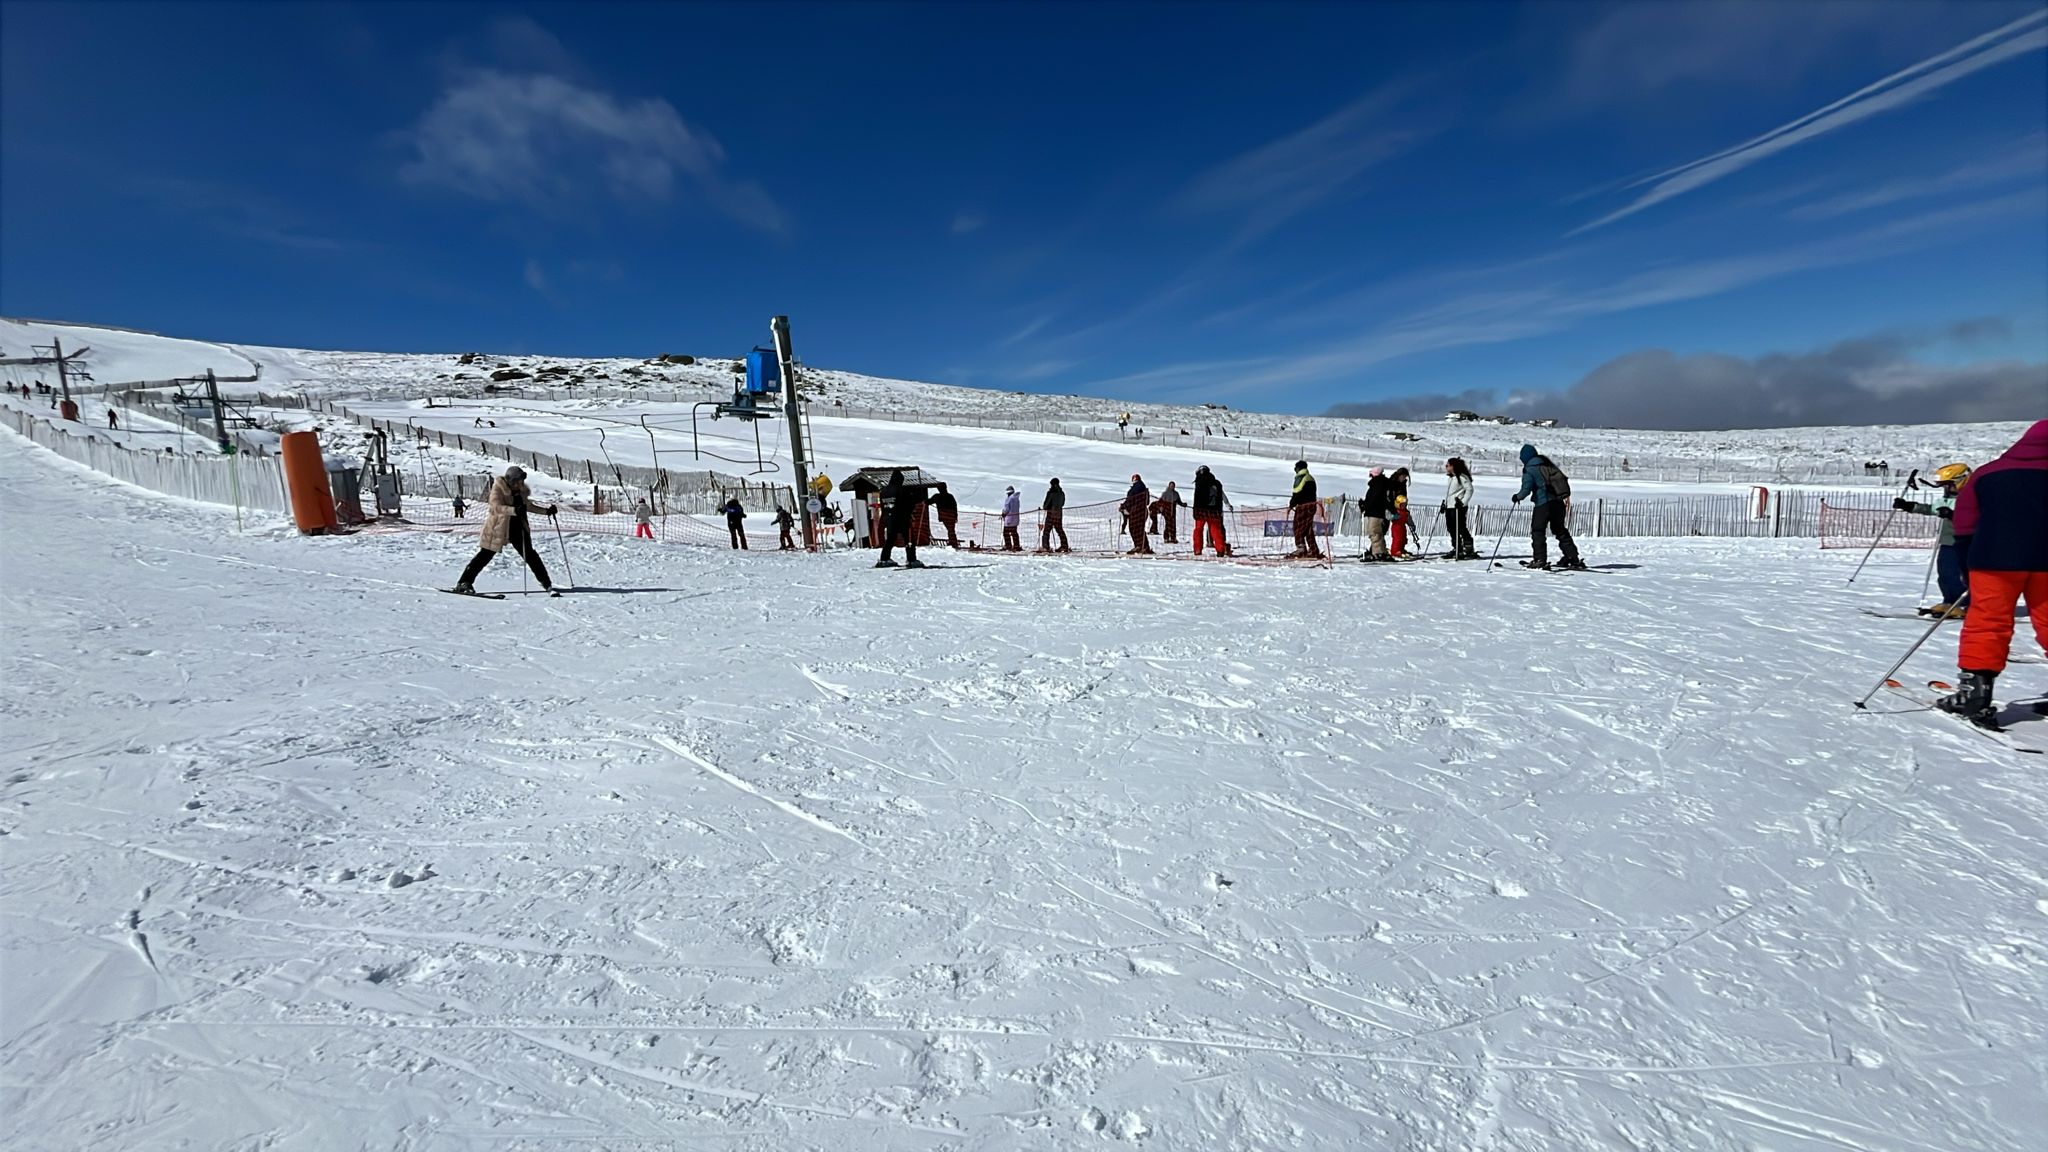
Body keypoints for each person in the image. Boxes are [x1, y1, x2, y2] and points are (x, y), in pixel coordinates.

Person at [1938, 420, 2048, 725]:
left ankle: (1975, 697)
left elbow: (1965, 524)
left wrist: (1965, 565)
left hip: (1992, 560)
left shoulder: (1987, 474)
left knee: (1987, 622)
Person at [452, 465, 558, 595]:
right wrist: (514, 510)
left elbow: (528, 506)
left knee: (530, 555)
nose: (520, 483)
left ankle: (546, 583)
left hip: (518, 527)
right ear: (511, 480)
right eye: (518, 481)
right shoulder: (498, 488)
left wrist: (546, 511)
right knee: (485, 555)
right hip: (498, 528)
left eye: (522, 481)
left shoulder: (521, 491)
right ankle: (464, 582)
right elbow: (495, 507)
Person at [1896, 463, 1970, 614]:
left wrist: (1952, 515)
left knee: (1960, 575)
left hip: (1964, 542)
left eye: (1948, 486)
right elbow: (1932, 509)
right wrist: (1910, 506)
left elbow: (1974, 518)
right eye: (1944, 486)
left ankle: (1964, 603)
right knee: (1945, 574)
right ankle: (1949, 600)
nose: (1946, 490)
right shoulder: (1948, 498)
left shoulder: (1971, 498)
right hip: (1947, 542)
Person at [1512, 444, 1584, 570]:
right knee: (1560, 530)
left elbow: (1526, 489)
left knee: (1538, 531)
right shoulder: (1547, 464)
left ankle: (1540, 559)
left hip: (1543, 504)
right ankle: (1572, 557)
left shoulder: (1530, 469)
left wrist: (1517, 497)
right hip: (1558, 503)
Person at [876, 468, 927, 569]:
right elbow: (907, 503)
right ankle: (911, 559)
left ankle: (884, 558)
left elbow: (882, 506)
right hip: (902, 518)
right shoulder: (901, 490)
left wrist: (885, 517)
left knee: (890, 540)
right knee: (908, 539)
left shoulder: (883, 491)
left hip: (889, 518)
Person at [1441, 457, 1477, 560]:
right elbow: (1450, 494)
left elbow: (1470, 489)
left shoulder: (1461, 477)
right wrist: (1445, 504)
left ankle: (1468, 547)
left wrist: (1462, 502)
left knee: (1460, 527)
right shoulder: (1451, 478)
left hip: (1458, 507)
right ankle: (1457, 548)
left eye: (1448, 465)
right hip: (1450, 506)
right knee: (1451, 528)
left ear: (1453, 466)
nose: (1446, 467)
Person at [1192, 465, 1230, 556]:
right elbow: (1220, 497)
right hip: (1214, 511)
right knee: (1216, 531)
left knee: (1198, 530)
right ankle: (1220, 550)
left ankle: (1197, 549)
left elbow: (1197, 498)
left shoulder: (1199, 482)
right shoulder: (1216, 483)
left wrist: (1195, 510)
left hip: (1201, 511)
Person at [1289, 460, 1322, 559]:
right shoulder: (1310, 478)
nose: (1295, 469)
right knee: (1307, 529)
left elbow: (1297, 493)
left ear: (1299, 468)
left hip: (1303, 507)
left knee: (1298, 527)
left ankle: (1301, 548)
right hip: (1312, 506)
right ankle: (1313, 549)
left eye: (1296, 467)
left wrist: (1292, 504)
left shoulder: (1302, 478)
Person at [1359, 468, 1393, 560]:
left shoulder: (1377, 484)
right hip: (1378, 512)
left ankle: (1378, 552)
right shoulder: (1382, 484)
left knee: (1374, 533)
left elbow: (1373, 499)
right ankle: (1381, 551)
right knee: (1377, 533)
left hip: (1375, 513)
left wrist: (1364, 505)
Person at [1122, 474, 1153, 554]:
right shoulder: (1143, 488)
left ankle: (1139, 546)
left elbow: (1130, 499)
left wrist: (1123, 506)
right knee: (1139, 529)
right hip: (1143, 511)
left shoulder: (1135, 488)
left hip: (1136, 511)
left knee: (1134, 528)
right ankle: (1144, 546)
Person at [1388, 467, 1414, 557]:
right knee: (1397, 537)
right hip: (1394, 507)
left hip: (1401, 504)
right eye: (1403, 476)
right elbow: (1390, 496)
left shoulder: (1403, 484)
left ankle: (1401, 549)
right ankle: (1395, 550)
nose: (1404, 478)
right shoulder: (1392, 482)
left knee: (1403, 537)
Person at [1040, 478, 1070, 553]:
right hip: (1059, 514)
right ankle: (1064, 546)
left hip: (1051, 514)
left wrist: (1046, 507)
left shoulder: (1051, 493)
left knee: (1046, 531)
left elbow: (1046, 505)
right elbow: (1062, 503)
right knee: (1060, 530)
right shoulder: (1062, 493)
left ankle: (1046, 547)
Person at [932, 482, 960, 547]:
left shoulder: (937, 496)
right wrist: (955, 516)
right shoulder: (950, 496)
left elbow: (928, 501)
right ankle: (953, 542)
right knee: (951, 529)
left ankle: (953, 542)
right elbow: (954, 507)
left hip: (944, 516)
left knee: (950, 530)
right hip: (951, 516)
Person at [1001, 486, 1023, 551]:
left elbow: (1006, 509)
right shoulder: (1016, 499)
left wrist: (1003, 514)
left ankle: (1008, 546)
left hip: (1009, 520)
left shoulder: (1009, 499)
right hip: (1015, 519)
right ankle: (1016, 546)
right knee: (1014, 533)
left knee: (1006, 533)